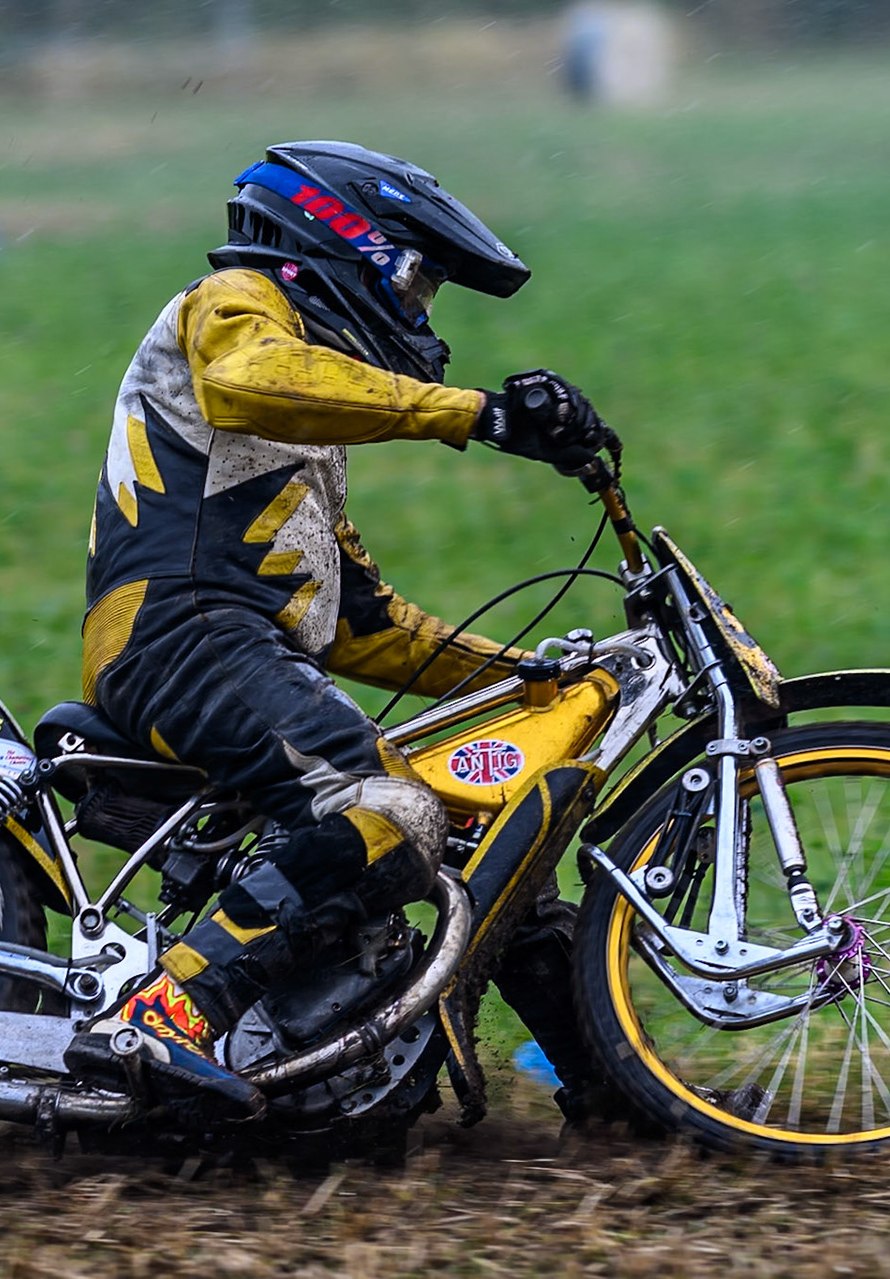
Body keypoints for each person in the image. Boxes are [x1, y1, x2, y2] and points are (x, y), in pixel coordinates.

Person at [62, 141, 615, 1122]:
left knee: (474, 831)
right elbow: (246, 378)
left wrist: (534, 677)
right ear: (337, 238)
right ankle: (165, 1012)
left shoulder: (307, 415)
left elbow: (366, 624)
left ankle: (610, 1085)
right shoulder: (235, 308)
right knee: (386, 814)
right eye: (416, 280)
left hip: (234, 640)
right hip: (182, 633)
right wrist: (477, 417)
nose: (420, 313)